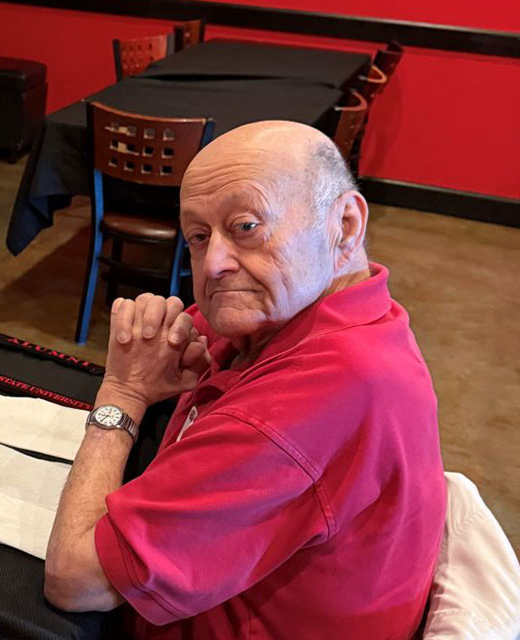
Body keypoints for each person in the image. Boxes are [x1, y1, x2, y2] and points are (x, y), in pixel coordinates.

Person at [44, 121, 446, 638]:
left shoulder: (304, 399)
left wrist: (121, 396)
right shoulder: (323, 307)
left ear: (345, 225)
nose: (212, 265)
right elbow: (170, 344)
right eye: (197, 235)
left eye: (246, 226)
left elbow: (74, 581)